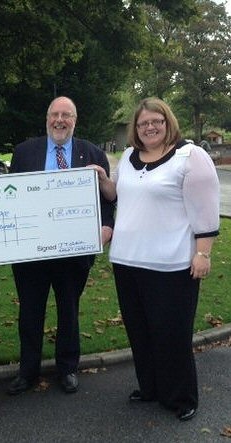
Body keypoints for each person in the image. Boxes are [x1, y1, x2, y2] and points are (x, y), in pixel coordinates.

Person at [94, 97, 220, 421]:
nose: (150, 127)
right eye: (143, 123)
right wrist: (103, 180)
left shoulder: (190, 157)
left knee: (172, 333)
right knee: (140, 331)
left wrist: (203, 253)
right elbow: (117, 194)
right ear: (136, 129)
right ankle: (150, 388)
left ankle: (181, 397)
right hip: (127, 261)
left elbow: (206, 212)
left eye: (156, 121)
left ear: (168, 122)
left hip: (171, 264)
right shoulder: (129, 156)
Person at [7, 96, 115, 396]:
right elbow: (11, 197)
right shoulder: (24, 152)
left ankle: (67, 368)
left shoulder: (91, 153)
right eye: (55, 114)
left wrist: (107, 227)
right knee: (30, 311)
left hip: (74, 253)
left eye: (66, 115)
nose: (60, 120)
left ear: (74, 120)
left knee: (69, 309)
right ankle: (27, 371)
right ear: (46, 119)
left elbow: (106, 200)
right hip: (31, 253)